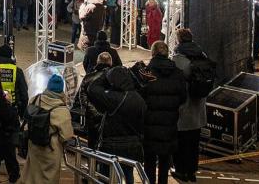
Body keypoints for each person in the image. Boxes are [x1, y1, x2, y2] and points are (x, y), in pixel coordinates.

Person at [139, 40, 187, 184]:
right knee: (165, 160)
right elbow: (183, 98)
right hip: (170, 123)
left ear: (152, 53)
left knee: (149, 161)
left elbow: (141, 96)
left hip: (150, 124)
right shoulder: (178, 74)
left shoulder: (146, 73)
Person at [88, 65, 146, 184]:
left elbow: (92, 89)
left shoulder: (113, 99)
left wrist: (105, 75)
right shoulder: (139, 99)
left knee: (106, 177)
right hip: (133, 146)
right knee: (127, 175)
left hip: (112, 146)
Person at [19, 74, 74, 184]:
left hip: (33, 144)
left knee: (32, 174)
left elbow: (27, 119)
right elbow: (66, 136)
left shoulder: (35, 100)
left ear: (48, 87)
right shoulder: (61, 110)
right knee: (47, 178)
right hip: (50, 149)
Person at [172, 28, 209, 183]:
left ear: (179, 40)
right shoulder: (202, 55)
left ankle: (180, 171)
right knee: (194, 143)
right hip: (198, 106)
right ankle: (192, 172)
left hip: (183, 108)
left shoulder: (178, 59)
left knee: (180, 143)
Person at [78, 51, 113, 148]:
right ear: (110, 62)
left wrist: (94, 112)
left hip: (92, 118)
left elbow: (82, 98)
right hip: (110, 117)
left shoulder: (88, 77)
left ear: (98, 61)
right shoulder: (115, 78)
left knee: (92, 144)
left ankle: (92, 162)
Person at [0, 44, 28, 117]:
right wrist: (21, 113)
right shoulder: (17, 70)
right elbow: (24, 95)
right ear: (11, 56)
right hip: (11, 109)